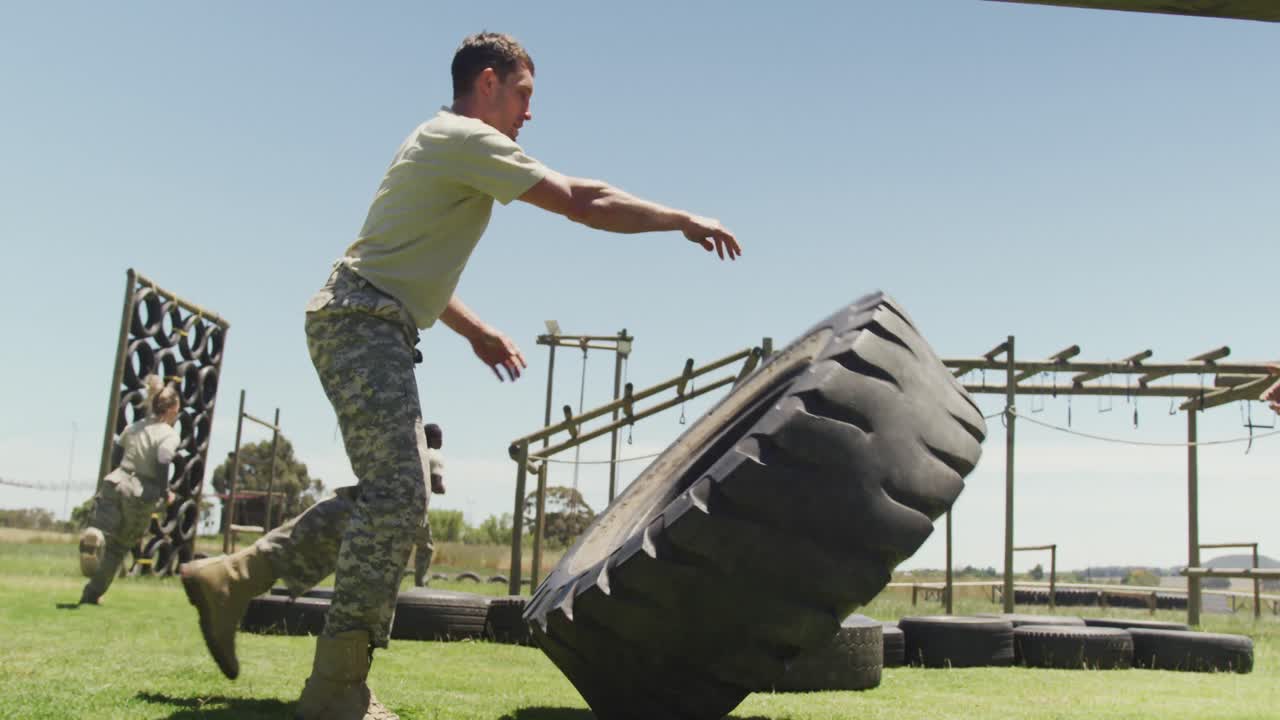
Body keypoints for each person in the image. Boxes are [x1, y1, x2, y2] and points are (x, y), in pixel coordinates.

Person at [179, 31, 740, 720]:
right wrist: (681, 218)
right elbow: (580, 199)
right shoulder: (466, 140)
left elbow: (407, 262)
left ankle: (235, 577)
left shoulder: (442, 145)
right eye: (523, 96)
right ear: (488, 83)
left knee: (395, 497)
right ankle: (334, 688)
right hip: (362, 322)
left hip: (366, 316)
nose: (528, 115)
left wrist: (476, 331)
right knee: (399, 499)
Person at [77, 374, 180, 605]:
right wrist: (165, 492)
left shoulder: (134, 427)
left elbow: (116, 452)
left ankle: (95, 533)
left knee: (104, 532)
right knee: (118, 548)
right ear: (172, 409)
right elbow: (164, 458)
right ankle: (91, 595)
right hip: (139, 491)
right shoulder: (169, 434)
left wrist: (120, 474)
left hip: (115, 481)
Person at [412, 423, 445, 588]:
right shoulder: (434, 456)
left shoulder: (410, 452)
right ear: (431, 438)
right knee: (426, 547)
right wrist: (442, 488)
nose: (442, 442)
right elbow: (437, 485)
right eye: (439, 438)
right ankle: (420, 585)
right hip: (417, 511)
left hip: (394, 507)